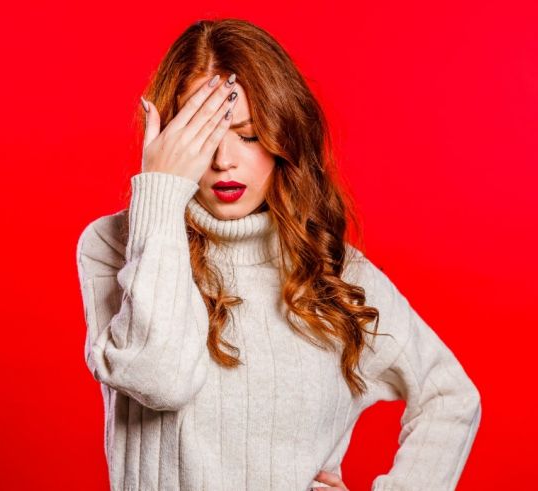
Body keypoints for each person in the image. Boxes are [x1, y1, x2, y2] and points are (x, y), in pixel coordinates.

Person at [76, 18, 481, 491]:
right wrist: (161, 193)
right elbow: (160, 379)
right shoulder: (116, 245)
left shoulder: (335, 272)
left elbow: (449, 396)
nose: (224, 159)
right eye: (202, 136)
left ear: (283, 137)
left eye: (249, 136)